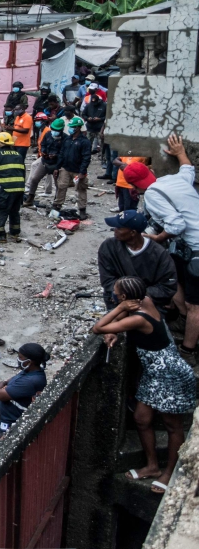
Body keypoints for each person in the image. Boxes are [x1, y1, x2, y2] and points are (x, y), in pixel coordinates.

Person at [92, 276, 195, 492]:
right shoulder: (143, 300)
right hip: (154, 373)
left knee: (172, 425)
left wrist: (115, 317)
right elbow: (117, 320)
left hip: (169, 373)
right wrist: (116, 327)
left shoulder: (140, 317)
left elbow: (98, 327)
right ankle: (152, 466)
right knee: (141, 418)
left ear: (124, 297)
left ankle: (169, 473)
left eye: (117, 293)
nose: (113, 294)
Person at [130, 136, 199, 358]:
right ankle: (181, 318)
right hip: (187, 248)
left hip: (195, 248)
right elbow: (188, 168)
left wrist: (158, 237)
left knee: (195, 305)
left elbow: (176, 224)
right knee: (172, 275)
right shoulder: (174, 180)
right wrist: (179, 152)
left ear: (134, 186)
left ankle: (188, 349)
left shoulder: (151, 194)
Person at [98, 210, 177, 311]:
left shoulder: (159, 253)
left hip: (148, 304)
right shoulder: (109, 246)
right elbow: (107, 279)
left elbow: (167, 286)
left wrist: (135, 297)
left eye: (119, 228)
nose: (115, 230)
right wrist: (121, 296)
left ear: (133, 233)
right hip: (118, 300)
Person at [0, 343, 48, 436]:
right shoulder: (30, 371)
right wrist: (7, 385)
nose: (18, 360)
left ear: (30, 361)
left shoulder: (30, 381)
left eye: (20, 357)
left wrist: (2, 384)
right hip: (7, 416)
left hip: (11, 421)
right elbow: (12, 380)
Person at [0, 132, 25, 243]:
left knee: (0, 210)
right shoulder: (18, 154)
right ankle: (15, 232)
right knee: (14, 210)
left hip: (7, 188)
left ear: (0, 143)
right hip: (20, 188)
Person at [54, 116, 91, 218]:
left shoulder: (84, 142)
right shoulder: (67, 140)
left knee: (81, 189)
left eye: (73, 127)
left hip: (78, 170)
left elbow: (86, 158)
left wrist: (82, 172)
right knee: (61, 186)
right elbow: (61, 154)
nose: (71, 129)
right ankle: (57, 206)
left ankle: (82, 209)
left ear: (78, 128)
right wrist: (57, 167)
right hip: (66, 168)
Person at [25, 118, 65, 206]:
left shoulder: (65, 139)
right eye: (53, 129)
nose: (54, 131)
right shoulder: (48, 134)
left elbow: (64, 153)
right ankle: (30, 198)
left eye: (56, 130)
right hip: (45, 161)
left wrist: (56, 156)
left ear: (61, 130)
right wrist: (44, 151)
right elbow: (43, 144)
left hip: (57, 164)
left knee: (58, 184)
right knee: (34, 179)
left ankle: (57, 203)